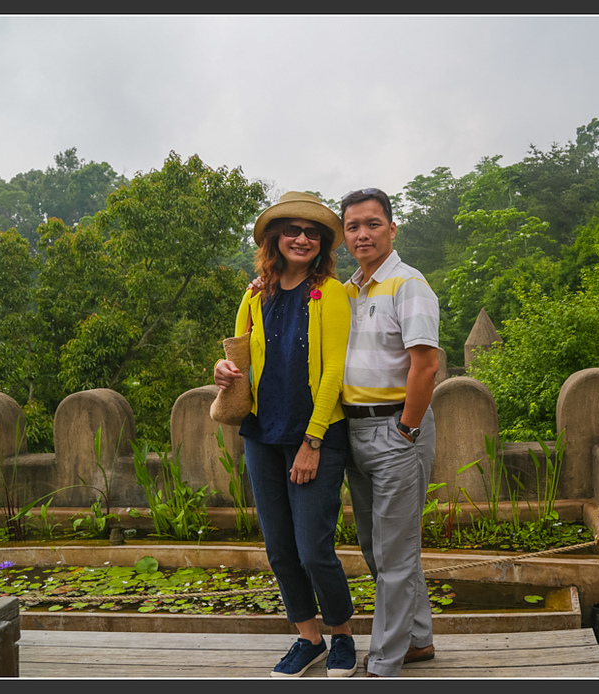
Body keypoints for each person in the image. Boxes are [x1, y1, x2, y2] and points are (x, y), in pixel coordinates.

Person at [213, 191, 357, 678]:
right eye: (292, 230)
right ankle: (308, 637)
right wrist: (222, 371)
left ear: (321, 244)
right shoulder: (256, 293)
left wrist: (312, 442)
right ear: (275, 238)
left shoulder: (330, 292)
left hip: (315, 435)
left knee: (315, 547)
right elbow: (238, 359)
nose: (301, 238)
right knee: (279, 547)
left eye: (311, 232)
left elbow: (334, 371)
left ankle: (342, 636)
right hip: (261, 435)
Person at [338, 187, 440, 678]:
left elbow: (426, 365)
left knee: (396, 553)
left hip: (397, 428)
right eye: (353, 226)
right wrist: (261, 284)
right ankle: (417, 639)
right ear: (344, 235)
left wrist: (406, 430)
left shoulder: (408, 284)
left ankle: (383, 663)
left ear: (392, 229)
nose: (363, 234)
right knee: (374, 547)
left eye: (372, 223)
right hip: (354, 431)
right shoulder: (347, 290)